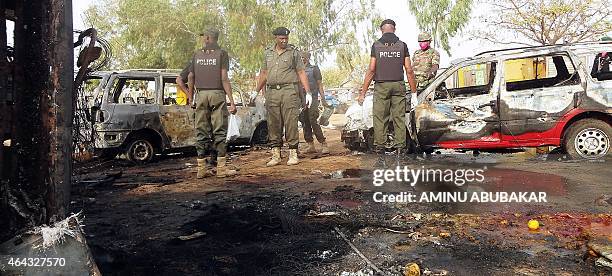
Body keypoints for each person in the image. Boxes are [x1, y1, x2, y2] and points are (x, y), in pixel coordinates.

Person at [176, 28, 237, 178]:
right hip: (217, 94)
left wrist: (191, 97)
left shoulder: (197, 55)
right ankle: (221, 169)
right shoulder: (222, 54)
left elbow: (190, 77)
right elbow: (224, 78)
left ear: (210, 38)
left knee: (201, 131)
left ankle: (201, 170)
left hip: (201, 94)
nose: (204, 39)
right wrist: (232, 101)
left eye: (205, 37)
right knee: (219, 131)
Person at [357, 19, 417, 164]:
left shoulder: (376, 46)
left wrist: (363, 93)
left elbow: (371, 69)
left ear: (381, 30)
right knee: (399, 119)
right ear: (394, 29)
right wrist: (414, 92)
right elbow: (409, 70)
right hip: (398, 85)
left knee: (380, 120)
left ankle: (381, 158)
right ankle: (401, 157)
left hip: (381, 86)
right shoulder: (402, 45)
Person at [254, 27, 313, 166]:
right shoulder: (268, 53)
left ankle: (293, 153)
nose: (284, 41)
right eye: (281, 39)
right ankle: (276, 154)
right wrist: (256, 91)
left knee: (290, 122)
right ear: (276, 38)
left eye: (286, 39)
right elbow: (264, 73)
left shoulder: (293, 53)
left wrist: (308, 92)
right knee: (273, 123)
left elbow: (301, 73)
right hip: (272, 92)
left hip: (289, 91)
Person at [299, 51, 330, 154]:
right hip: (302, 99)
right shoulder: (297, 70)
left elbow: (320, 84)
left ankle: (323, 143)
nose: (303, 59)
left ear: (308, 58)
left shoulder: (314, 69)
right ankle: (310, 145)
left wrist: (323, 98)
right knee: (304, 121)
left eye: (304, 57)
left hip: (312, 98)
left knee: (313, 120)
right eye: (301, 57)